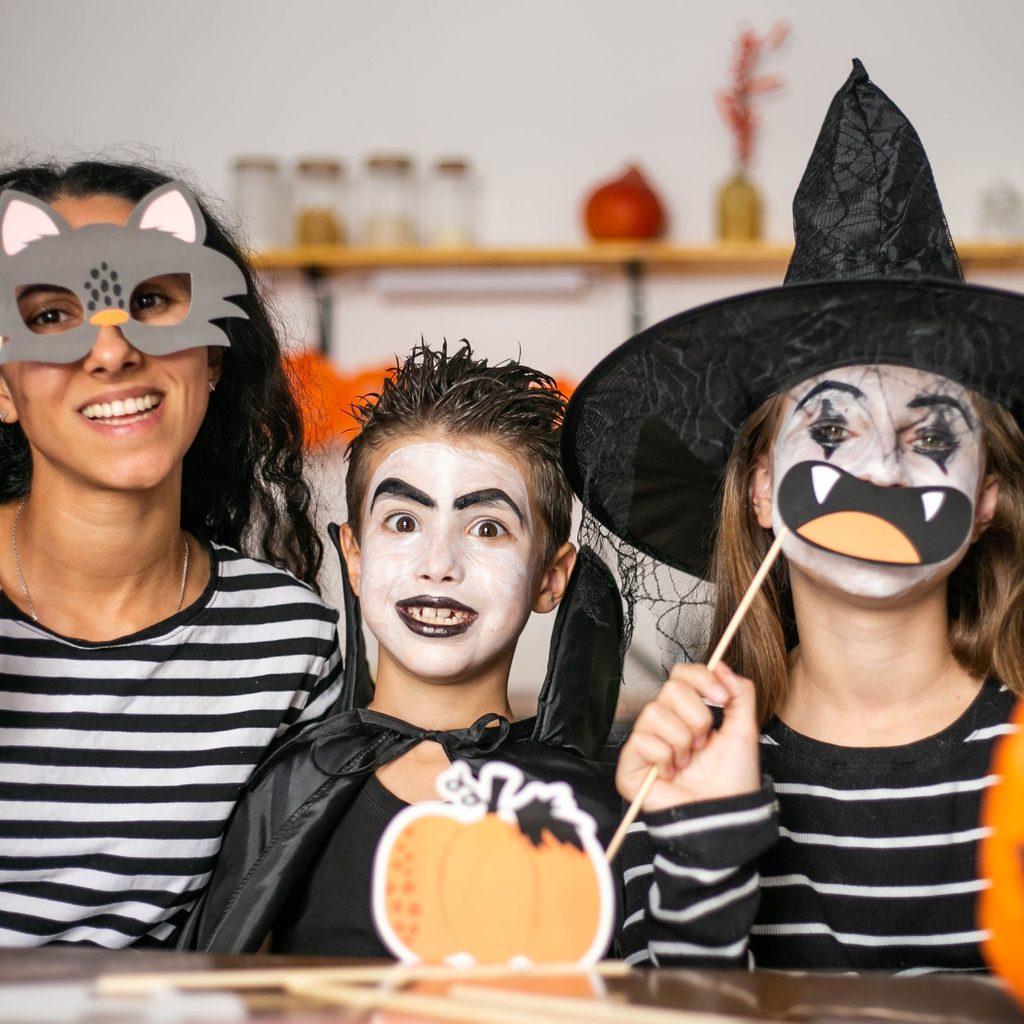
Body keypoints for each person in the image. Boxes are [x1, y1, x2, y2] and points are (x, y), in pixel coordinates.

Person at [561, 61, 1024, 973]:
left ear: (986, 502)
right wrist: (705, 835)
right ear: (762, 488)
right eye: (832, 426)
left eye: (930, 437)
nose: (882, 468)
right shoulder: (682, 759)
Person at [178, 340, 625, 955]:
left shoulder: (591, 810)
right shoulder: (284, 788)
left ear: (551, 577)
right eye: (404, 523)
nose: (438, 565)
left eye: (488, 528)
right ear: (355, 558)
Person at [0, 161, 342, 948]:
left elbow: (278, 934)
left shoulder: (287, 643)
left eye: (152, 300)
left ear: (213, 355)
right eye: (53, 315)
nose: (113, 351)